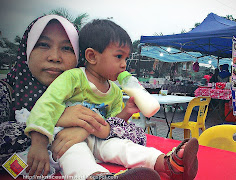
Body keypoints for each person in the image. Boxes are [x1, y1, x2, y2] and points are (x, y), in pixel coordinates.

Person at [25, 19, 199, 180]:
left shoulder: (115, 91)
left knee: (122, 147)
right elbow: (47, 104)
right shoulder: (73, 78)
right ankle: (96, 176)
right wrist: (38, 144)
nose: (124, 64)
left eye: (126, 58)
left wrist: (127, 111)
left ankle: (169, 163)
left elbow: (113, 125)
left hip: (99, 138)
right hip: (67, 138)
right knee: (75, 155)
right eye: (118, 56)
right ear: (92, 56)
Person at [0, 15, 108, 175]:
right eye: (43, 45)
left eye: (67, 48)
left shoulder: (88, 91)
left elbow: (130, 131)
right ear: (27, 50)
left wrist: (88, 128)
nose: (55, 57)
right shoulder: (5, 92)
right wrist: (55, 120)